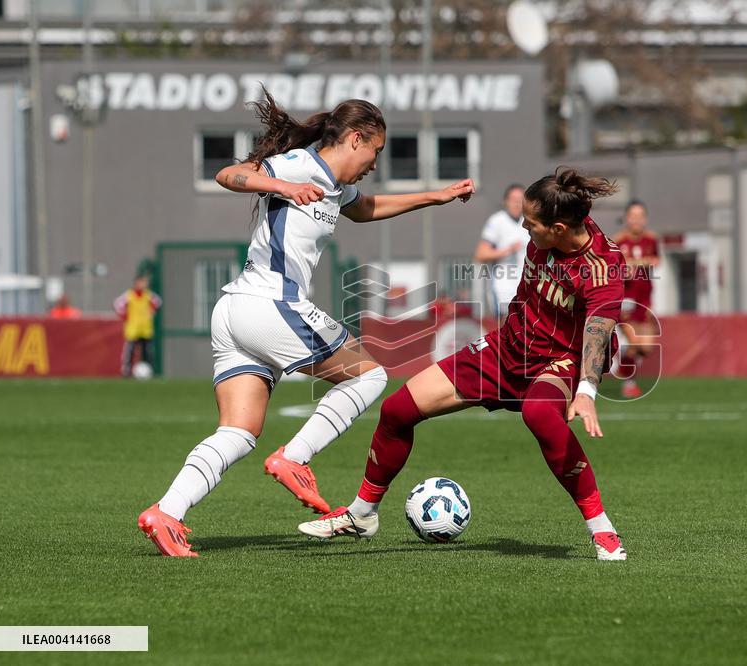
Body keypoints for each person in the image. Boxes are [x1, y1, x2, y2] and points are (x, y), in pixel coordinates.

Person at [137, 93, 475, 557]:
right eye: (375, 150)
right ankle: (293, 458)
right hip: (269, 304)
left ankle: (166, 513)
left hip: (238, 312)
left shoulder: (337, 187)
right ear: (356, 138)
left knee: (237, 433)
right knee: (371, 375)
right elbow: (229, 175)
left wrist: (435, 197)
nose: (375, 163)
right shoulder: (298, 165)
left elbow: (368, 208)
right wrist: (283, 187)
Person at [299, 168, 628, 562]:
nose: (524, 228)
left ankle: (602, 530)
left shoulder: (602, 267)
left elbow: (599, 329)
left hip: (560, 362)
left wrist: (587, 390)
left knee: (540, 416)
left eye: (531, 223)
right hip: (508, 348)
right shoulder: (560, 222)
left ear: (558, 228)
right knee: (396, 410)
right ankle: (361, 514)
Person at [613, 200, 659, 399]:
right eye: (633, 216)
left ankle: (623, 362)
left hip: (645, 300)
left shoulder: (651, 239)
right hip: (626, 301)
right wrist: (625, 270)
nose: (637, 220)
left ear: (645, 219)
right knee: (633, 341)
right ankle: (629, 383)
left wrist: (638, 264)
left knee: (645, 348)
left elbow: (657, 260)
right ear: (626, 218)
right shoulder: (618, 241)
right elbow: (613, 269)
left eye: (640, 216)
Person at [473, 184, 528, 318]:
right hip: (503, 283)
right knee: (507, 323)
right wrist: (507, 250)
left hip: (527, 282)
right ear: (506, 201)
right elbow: (480, 255)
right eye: (513, 199)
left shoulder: (530, 221)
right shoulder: (497, 221)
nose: (516, 204)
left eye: (520, 200)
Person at [114, 275, 161, 377]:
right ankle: (127, 372)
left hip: (145, 329)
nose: (143, 285)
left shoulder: (148, 295)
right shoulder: (129, 295)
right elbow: (118, 304)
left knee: (148, 353)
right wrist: (124, 316)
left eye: (145, 282)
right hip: (133, 328)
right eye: (141, 282)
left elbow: (158, 302)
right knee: (129, 352)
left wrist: (151, 311)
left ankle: (149, 372)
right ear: (136, 283)